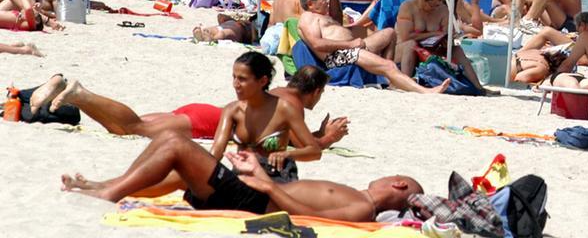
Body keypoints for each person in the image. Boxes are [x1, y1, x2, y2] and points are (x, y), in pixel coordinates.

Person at [62, 139, 420, 220]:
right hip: (257, 193)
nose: (384, 175)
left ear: (399, 185)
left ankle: (110, 192)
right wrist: (259, 173)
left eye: (393, 175)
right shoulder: (357, 196)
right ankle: (106, 185)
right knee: (179, 170)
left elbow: (309, 216)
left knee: (176, 145)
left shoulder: (362, 207)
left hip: (255, 202)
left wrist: (266, 184)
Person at [48, 66, 347, 148]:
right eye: (321, 93)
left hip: (205, 111)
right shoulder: (293, 105)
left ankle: (76, 96)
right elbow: (304, 146)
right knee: (132, 128)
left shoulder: (282, 93)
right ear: (314, 91)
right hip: (209, 123)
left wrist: (318, 134)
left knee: (128, 126)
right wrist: (327, 138)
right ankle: (81, 93)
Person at [297, 0, 448, 94]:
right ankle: (424, 91)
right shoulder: (308, 17)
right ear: (310, 4)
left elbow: (337, 22)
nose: (327, 0)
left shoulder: (322, 16)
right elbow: (317, 43)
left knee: (389, 33)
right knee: (389, 65)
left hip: (351, 48)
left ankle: (390, 81)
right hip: (338, 55)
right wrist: (350, 44)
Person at [393, 0, 484, 88]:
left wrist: (447, 40)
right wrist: (434, 34)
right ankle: (405, 84)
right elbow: (406, 37)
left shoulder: (442, 9)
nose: (435, 8)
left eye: (438, 5)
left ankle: (478, 87)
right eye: (432, 5)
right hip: (403, 51)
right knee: (410, 45)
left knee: (457, 50)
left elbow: (446, 34)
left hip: (430, 50)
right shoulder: (408, 7)